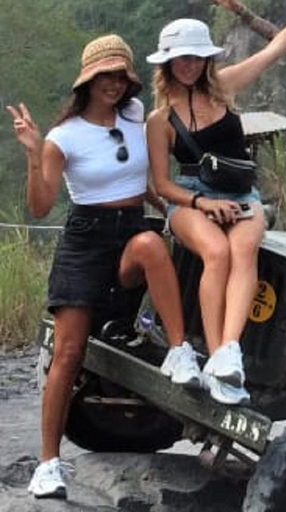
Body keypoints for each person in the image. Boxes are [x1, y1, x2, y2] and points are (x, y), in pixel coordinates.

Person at [7, 35, 198, 500]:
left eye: (120, 75)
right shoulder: (63, 136)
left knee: (153, 244)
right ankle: (48, 464)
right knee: (69, 354)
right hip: (85, 242)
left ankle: (179, 351)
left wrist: (186, 210)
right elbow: (39, 206)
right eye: (104, 75)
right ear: (87, 80)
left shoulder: (137, 117)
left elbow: (150, 180)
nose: (112, 83)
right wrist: (33, 153)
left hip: (131, 232)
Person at [145, 2, 286, 406]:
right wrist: (203, 203)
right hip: (191, 196)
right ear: (168, 64)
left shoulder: (224, 87)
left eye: (195, 57)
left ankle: (229, 355)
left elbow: (273, 51)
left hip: (241, 192)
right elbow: (160, 184)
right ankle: (214, 354)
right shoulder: (159, 121)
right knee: (217, 251)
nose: (189, 65)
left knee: (243, 249)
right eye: (181, 59)